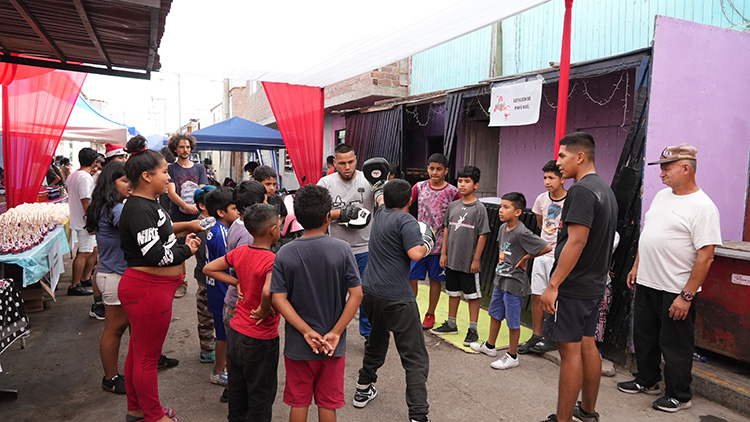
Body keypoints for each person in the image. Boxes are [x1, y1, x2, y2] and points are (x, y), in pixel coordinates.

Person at [617, 144, 720, 414]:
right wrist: (636, 266)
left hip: (675, 288)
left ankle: (679, 394)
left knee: (674, 345)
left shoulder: (703, 207)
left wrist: (686, 296)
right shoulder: (662, 197)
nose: (661, 173)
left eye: (666, 167)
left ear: (686, 168)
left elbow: (706, 256)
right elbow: (648, 233)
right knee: (645, 336)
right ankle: (647, 380)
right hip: (648, 281)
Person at [118, 134, 201, 422]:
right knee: (147, 357)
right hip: (147, 290)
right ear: (146, 175)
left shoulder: (149, 203)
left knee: (139, 352)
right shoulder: (140, 209)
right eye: (164, 171)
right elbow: (156, 255)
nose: (169, 176)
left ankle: (137, 409)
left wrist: (186, 228)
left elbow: (161, 237)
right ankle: (153, 415)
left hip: (153, 289)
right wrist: (186, 250)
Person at [539, 132, 617, 422]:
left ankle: (563, 419)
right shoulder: (604, 190)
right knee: (587, 344)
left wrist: (553, 284)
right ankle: (587, 411)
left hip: (574, 285)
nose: (558, 162)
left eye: (562, 156)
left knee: (569, 351)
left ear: (580, 157)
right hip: (594, 284)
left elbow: (576, 241)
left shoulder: (581, 191)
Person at [271, 185, 363, 422]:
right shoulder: (342, 250)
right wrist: (335, 332)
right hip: (333, 345)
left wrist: (306, 331)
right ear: (327, 217)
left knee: (298, 402)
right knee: (327, 404)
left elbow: (278, 298)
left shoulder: (285, 252)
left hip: (299, 344)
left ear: (298, 219)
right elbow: (356, 294)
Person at [353, 179, 434, 422]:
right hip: (397, 298)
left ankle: (363, 387)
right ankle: (418, 414)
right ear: (410, 200)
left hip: (371, 293)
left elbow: (379, 196)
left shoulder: (380, 213)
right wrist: (428, 240)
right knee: (415, 357)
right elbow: (416, 253)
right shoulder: (406, 221)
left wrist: (380, 186)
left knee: (377, 340)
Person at [204, 203, 281, 422]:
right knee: (261, 396)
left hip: (236, 332)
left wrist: (235, 281)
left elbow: (209, 268)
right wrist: (264, 309)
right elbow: (268, 290)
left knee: (237, 392)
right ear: (273, 230)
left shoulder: (240, 252)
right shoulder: (272, 261)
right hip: (260, 337)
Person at [470, 192, 550, 369]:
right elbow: (503, 250)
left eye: (506, 207)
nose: (501, 210)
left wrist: (525, 258)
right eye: (501, 206)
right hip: (500, 279)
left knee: (513, 321)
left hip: (515, 283)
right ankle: (490, 346)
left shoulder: (522, 231)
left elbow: (546, 247)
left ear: (518, 212)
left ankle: (512, 355)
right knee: (495, 313)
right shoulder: (502, 228)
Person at [317, 143, 374, 339]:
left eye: (351, 162)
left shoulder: (368, 180)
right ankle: (335, 332)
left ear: (356, 159)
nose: (347, 167)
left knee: (365, 294)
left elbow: (384, 205)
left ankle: (368, 334)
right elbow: (316, 215)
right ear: (335, 163)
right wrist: (340, 213)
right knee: (335, 296)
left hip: (365, 248)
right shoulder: (325, 184)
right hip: (336, 249)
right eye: (342, 163)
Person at [219, 180, 268, 403]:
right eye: (266, 199)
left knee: (235, 351)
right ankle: (238, 392)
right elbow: (242, 271)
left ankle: (232, 388)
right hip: (244, 304)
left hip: (233, 300)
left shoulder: (238, 224)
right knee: (246, 355)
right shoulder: (251, 236)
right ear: (259, 205)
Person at [84, 161, 131, 394]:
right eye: (125, 180)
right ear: (111, 185)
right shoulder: (117, 209)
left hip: (111, 274)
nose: (130, 185)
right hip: (116, 276)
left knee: (127, 327)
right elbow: (138, 231)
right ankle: (110, 378)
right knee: (115, 329)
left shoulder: (104, 206)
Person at [431, 165, 490, 346]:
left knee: (472, 295)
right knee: (452, 292)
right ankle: (451, 323)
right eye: (460, 181)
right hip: (451, 259)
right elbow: (447, 230)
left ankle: (472, 329)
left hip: (468, 262)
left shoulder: (479, 209)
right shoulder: (453, 206)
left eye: (467, 181)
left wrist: (476, 259)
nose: (463, 185)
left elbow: (483, 234)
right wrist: (443, 253)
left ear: (476, 185)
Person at [407, 152, 461, 329]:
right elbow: (406, 203)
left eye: (439, 169)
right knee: (411, 278)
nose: (435, 172)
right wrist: (409, 225)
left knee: (435, 281)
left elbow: (460, 213)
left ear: (446, 170)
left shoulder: (453, 192)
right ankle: (410, 311)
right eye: (431, 168)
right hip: (419, 241)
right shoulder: (419, 187)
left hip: (439, 245)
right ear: (427, 169)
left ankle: (430, 313)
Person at [520, 160, 567, 354]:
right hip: (542, 252)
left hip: (561, 254)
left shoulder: (571, 199)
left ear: (562, 178)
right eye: (545, 177)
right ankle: (537, 335)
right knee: (537, 294)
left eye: (552, 177)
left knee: (556, 297)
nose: (547, 181)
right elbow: (541, 223)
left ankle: (552, 336)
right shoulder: (541, 199)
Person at [204, 187, 241, 388]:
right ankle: (218, 371)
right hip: (221, 290)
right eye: (234, 208)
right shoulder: (220, 233)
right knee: (223, 335)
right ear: (221, 212)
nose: (237, 212)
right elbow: (224, 264)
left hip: (218, 289)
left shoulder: (219, 229)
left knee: (224, 333)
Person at [166, 133, 208, 298]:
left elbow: (203, 188)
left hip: (198, 216)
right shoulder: (171, 168)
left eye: (188, 147)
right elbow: (171, 192)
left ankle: (204, 280)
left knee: (202, 248)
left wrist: (196, 207)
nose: (185, 150)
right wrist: (185, 206)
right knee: (178, 250)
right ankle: (180, 283)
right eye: (182, 147)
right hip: (178, 216)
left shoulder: (199, 168)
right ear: (175, 149)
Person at [66, 147, 98, 297]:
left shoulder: (73, 176)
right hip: (84, 220)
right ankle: (75, 284)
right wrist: (91, 221)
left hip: (79, 218)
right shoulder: (85, 177)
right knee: (84, 252)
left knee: (92, 250)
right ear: (94, 162)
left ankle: (85, 278)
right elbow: (86, 201)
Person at [192, 185, 218, 366]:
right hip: (205, 279)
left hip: (213, 278)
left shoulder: (212, 223)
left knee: (213, 313)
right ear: (202, 205)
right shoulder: (202, 226)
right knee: (206, 316)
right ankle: (207, 349)